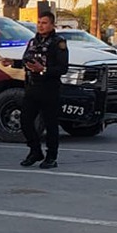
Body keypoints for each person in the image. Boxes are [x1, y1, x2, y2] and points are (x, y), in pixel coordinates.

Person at [17, 11, 69, 169]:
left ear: (52, 25)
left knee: (50, 124)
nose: (40, 25)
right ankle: (35, 151)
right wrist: (11, 62)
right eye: (39, 22)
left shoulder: (58, 43)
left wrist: (43, 69)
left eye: (44, 22)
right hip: (32, 87)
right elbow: (26, 61)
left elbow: (62, 68)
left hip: (50, 88)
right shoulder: (33, 42)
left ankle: (51, 157)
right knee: (25, 121)